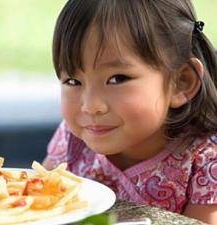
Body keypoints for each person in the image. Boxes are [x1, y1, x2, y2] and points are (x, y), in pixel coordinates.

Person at [42, 0, 217, 224]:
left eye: (117, 79)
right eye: (73, 81)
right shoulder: (72, 138)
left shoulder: (205, 159)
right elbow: (35, 203)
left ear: (181, 82)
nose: (91, 106)